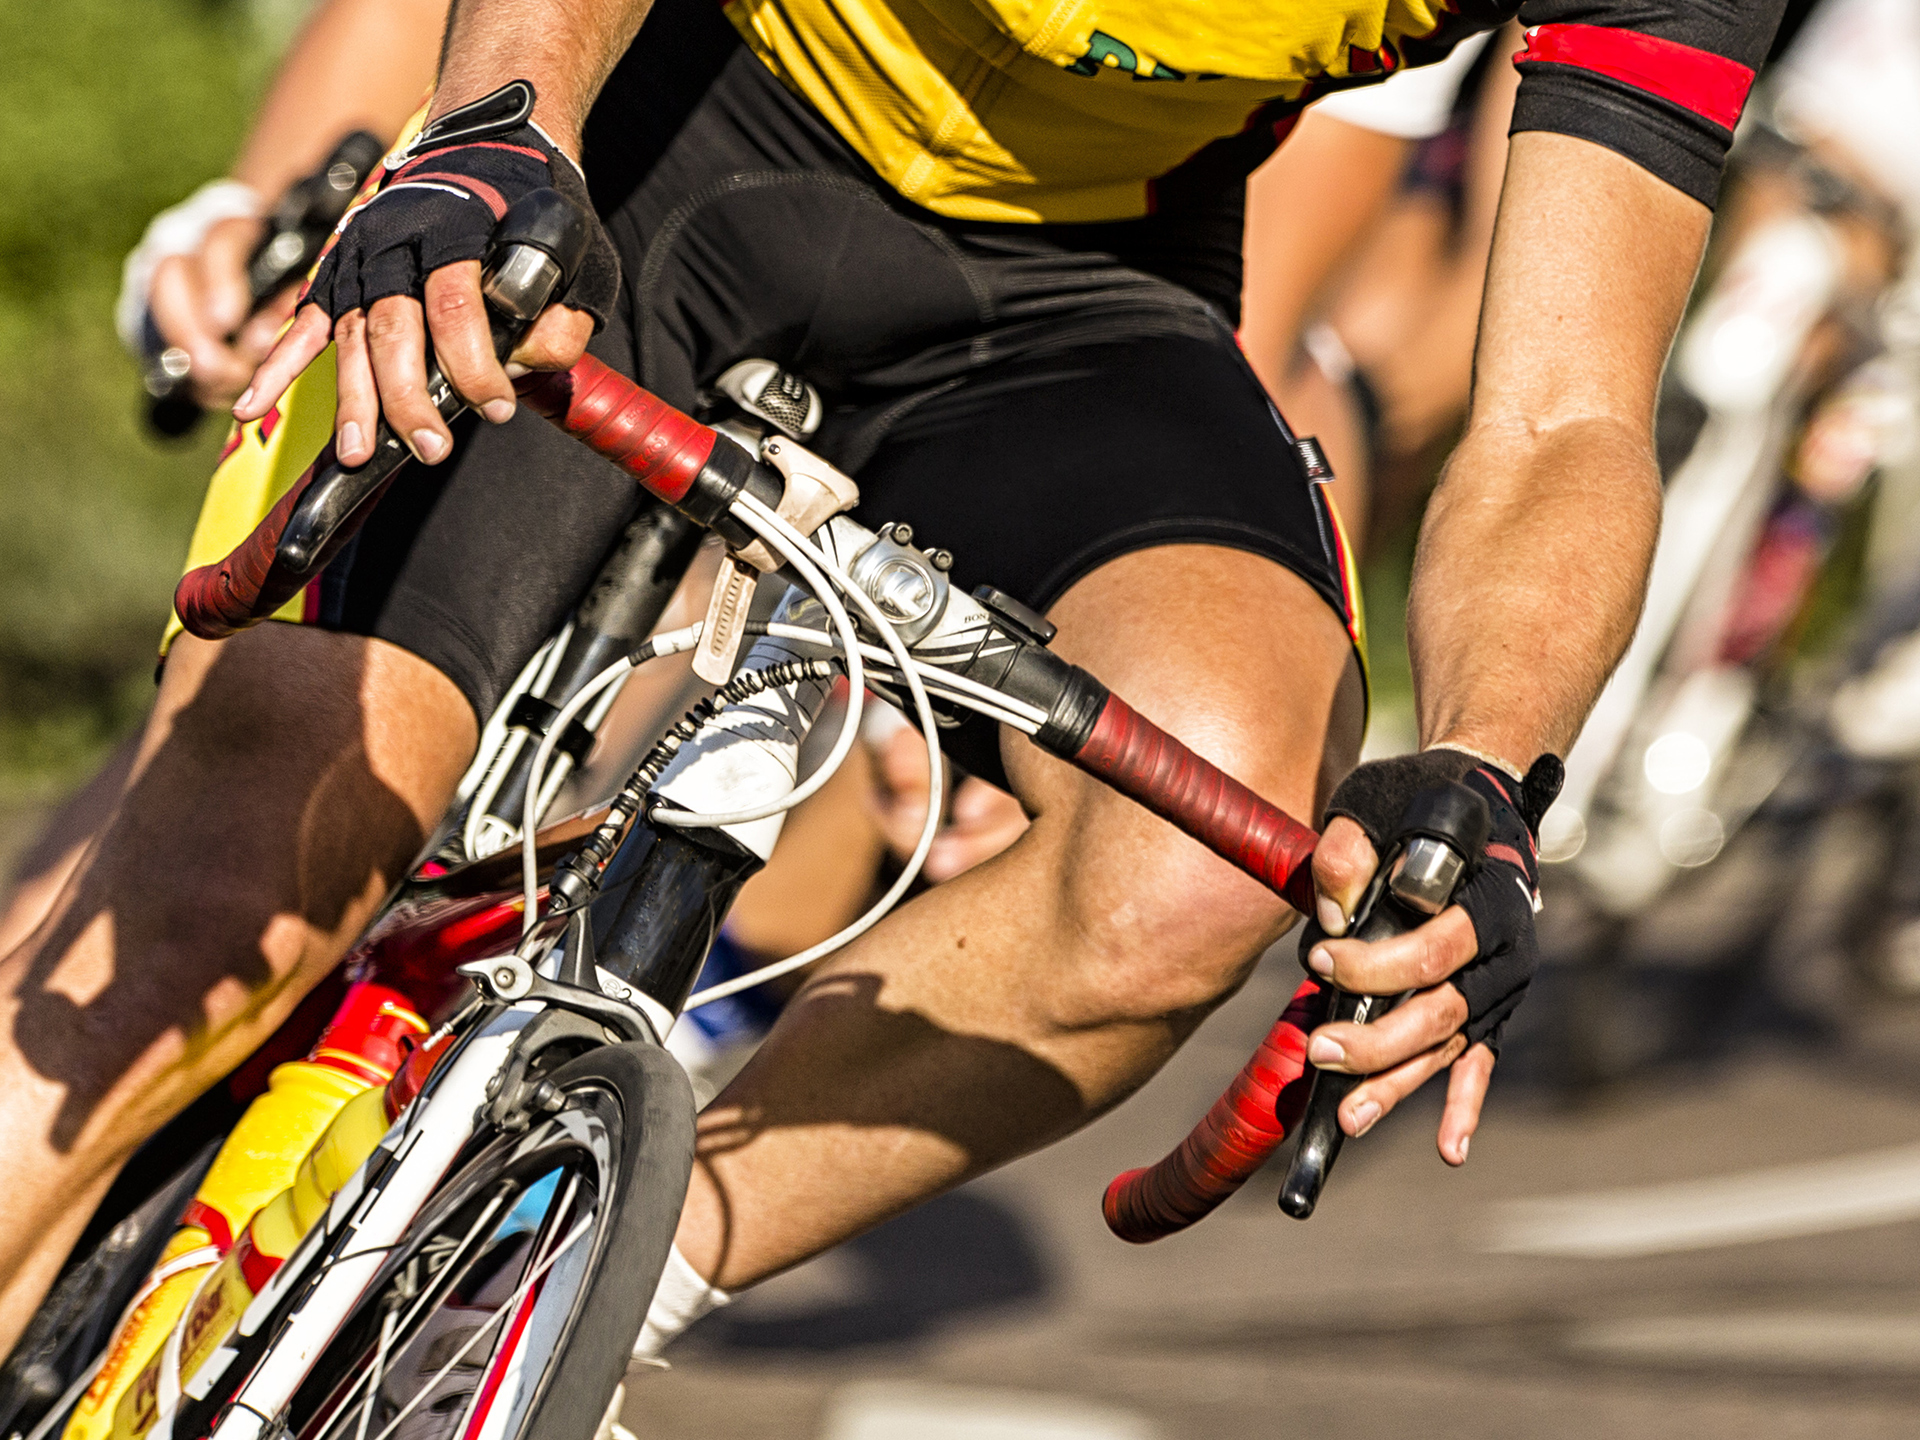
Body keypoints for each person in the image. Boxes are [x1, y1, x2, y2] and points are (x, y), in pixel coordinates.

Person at [1, 0, 1786, 1366]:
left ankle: (541, 1300)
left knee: (1197, 853)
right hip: (672, 125)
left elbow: (1564, 417)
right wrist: (494, 125)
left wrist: (1484, 772)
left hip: (1078, 278)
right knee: (258, 844)